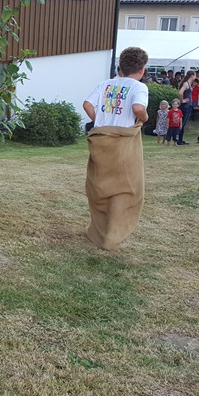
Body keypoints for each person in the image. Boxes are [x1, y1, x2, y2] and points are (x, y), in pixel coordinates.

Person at [82, 47, 150, 251]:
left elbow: (87, 105)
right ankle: (113, 236)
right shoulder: (139, 87)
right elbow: (138, 108)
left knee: (101, 188)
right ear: (142, 69)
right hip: (122, 143)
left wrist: (100, 122)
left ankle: (99, 232)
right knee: (124, 188)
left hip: (101, 141)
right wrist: (145, 118)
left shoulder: (105, 84)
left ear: (121, 66)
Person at [176, 70, 196, 145]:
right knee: (182, 123)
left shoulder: (188, 83)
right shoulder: (186, 84)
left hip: (188, 105)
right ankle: (178, 140)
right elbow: (180, 93)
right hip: (186, 106)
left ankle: (180, 139)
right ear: (192, 76)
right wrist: (182, 101)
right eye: (194, 75)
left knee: (183, 123)